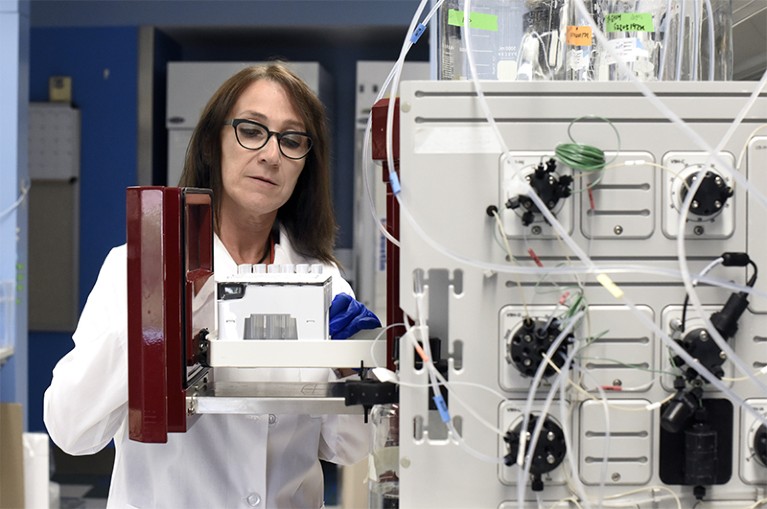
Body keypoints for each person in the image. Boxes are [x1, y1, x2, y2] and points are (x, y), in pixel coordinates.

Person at [44, 62, 380, 508]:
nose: (271, 154)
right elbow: (72, 430)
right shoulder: (134, 269)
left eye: (292, 139)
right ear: (212, 144)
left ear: (306, 165)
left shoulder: (322, 281)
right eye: (252, 130)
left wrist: (353, 370)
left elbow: (346, 448)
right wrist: (152, 320)